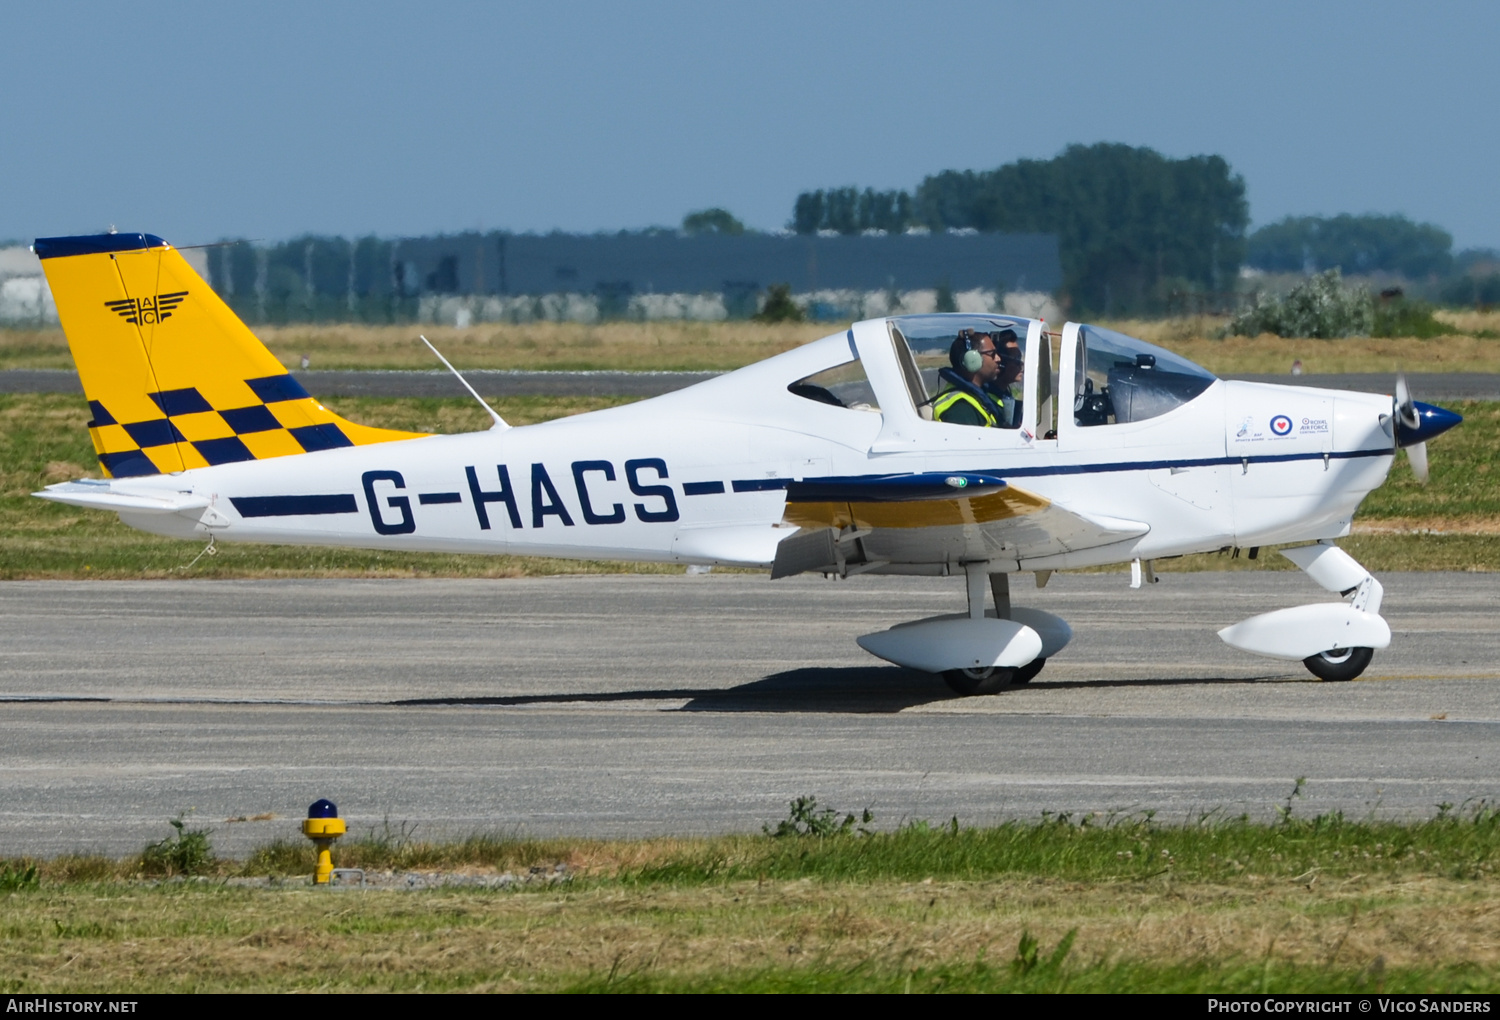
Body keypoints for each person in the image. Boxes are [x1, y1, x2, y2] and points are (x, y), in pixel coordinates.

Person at [933, 328, 1019, 428]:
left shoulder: (977, 398)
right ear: (972, 359)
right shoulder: (961, 409)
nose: (998, 359)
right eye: (992, 354)